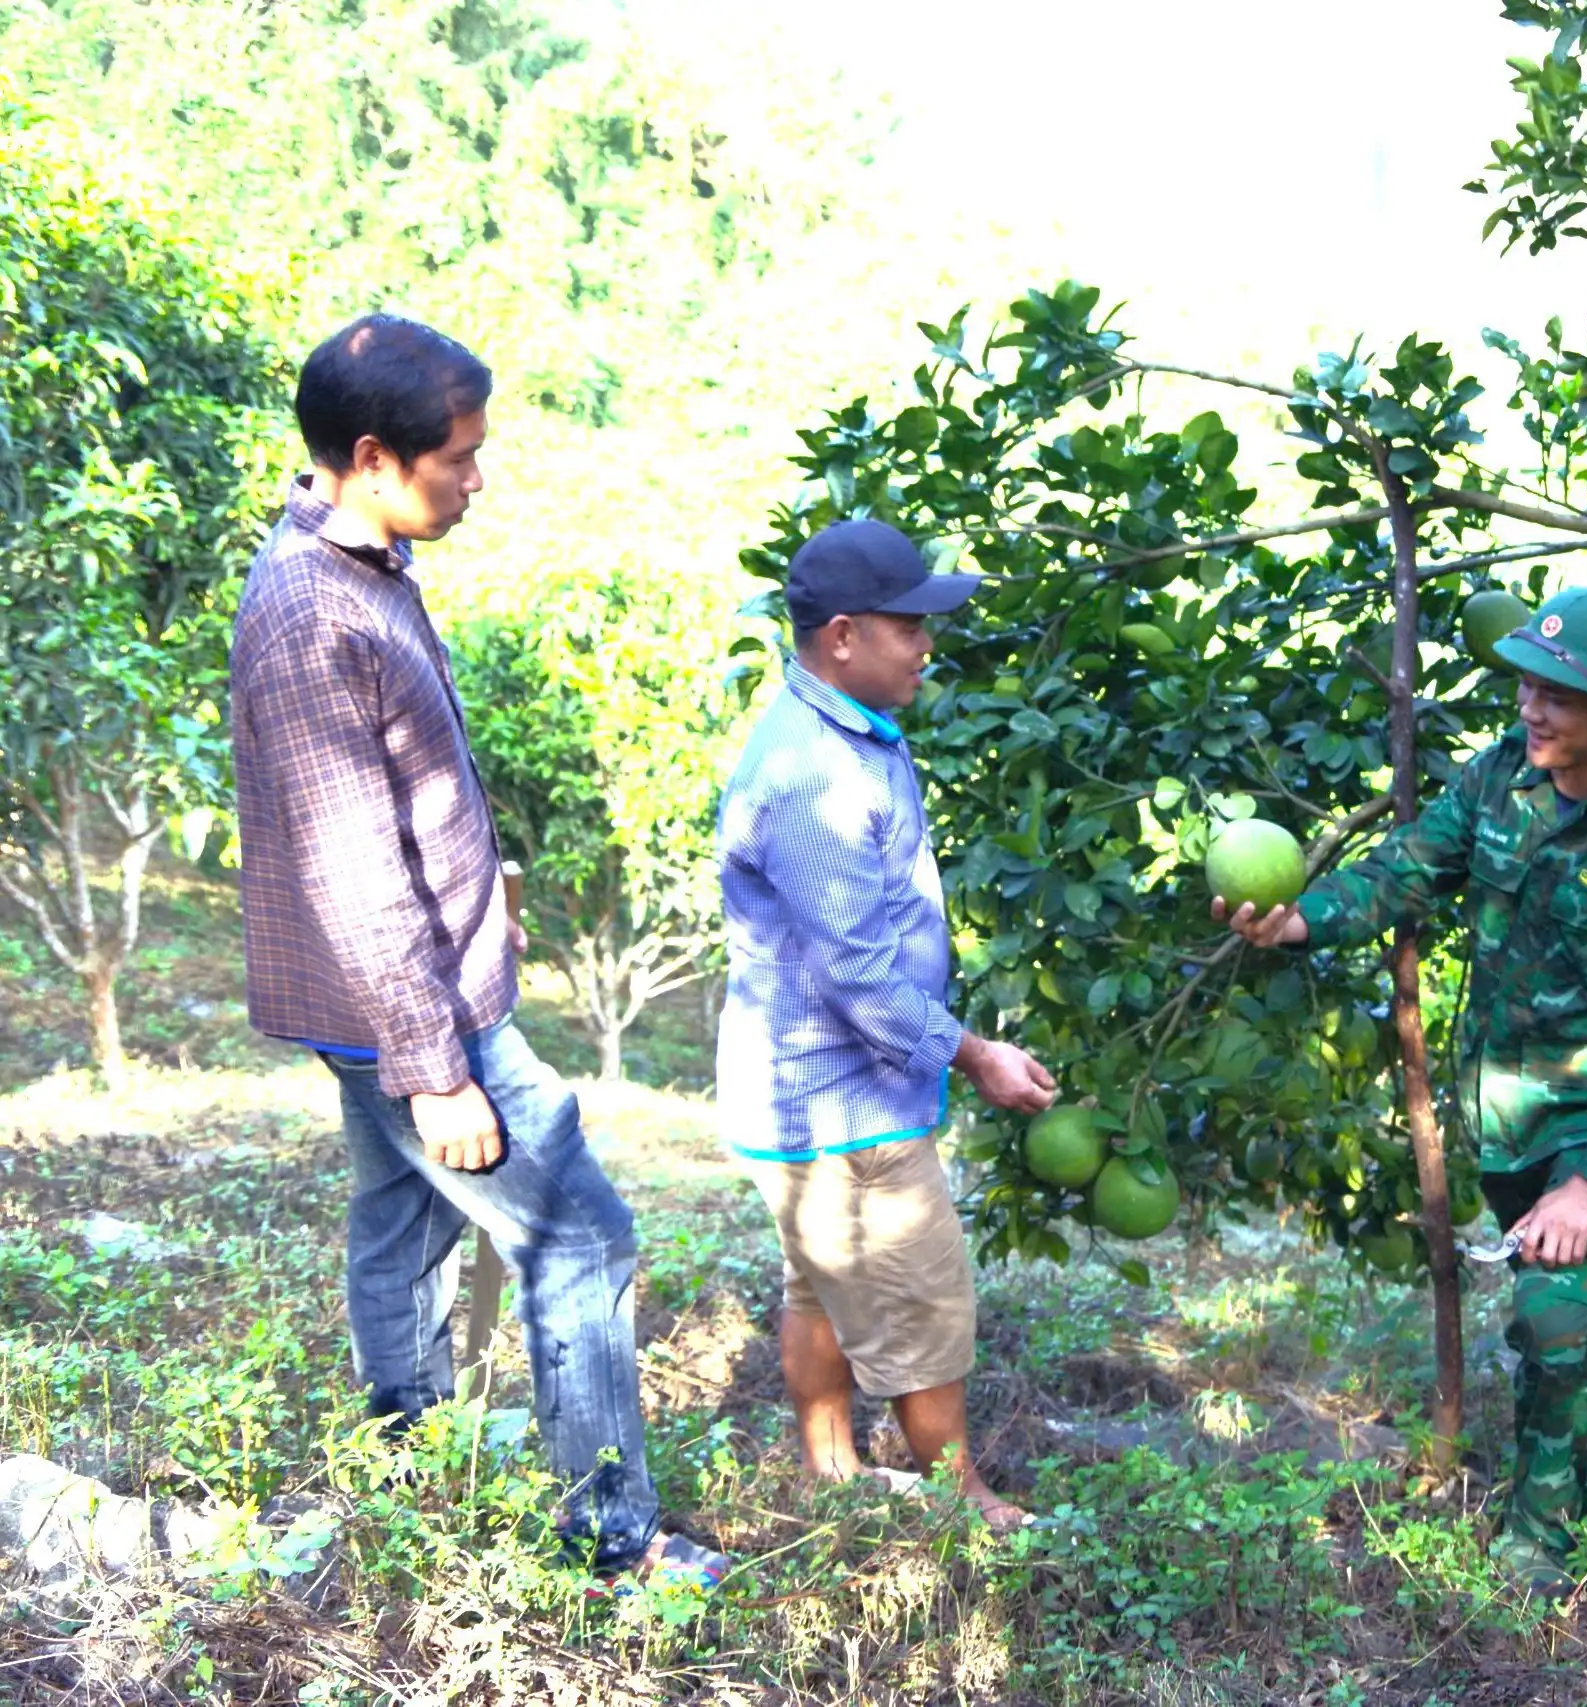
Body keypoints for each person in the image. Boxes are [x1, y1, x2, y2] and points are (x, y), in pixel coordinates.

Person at [230, 314, 722, 1592]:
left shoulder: (361, 564)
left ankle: (404, 1480)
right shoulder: (312, 612)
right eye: (458, 457)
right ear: (373, 457)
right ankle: (611, 1546)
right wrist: (435, 1069)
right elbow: (351, 865)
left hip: (405, 991)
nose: (478, 478)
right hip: (410, 1014)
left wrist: (478, 892)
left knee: (402, 1227)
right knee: (583, 1240)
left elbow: (400, 793)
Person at [1220, 586, 1587, 1593]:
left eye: (1558, 697)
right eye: (1527, 687)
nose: (1531, 709)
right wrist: (1299, 920)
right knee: (1572, 1321)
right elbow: (1407, 869)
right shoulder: (1502, 774)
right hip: (1505, 1117)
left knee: (1556, 1316)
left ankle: (1538, 1547)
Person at [716, 518, 1056, 1531]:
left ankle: (830, 1472)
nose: (926, 646)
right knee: (923, 1296)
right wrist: (977, 1054)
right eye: (909, 628)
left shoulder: (841, 731)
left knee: (819, 1284)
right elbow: (860, 978)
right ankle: (961, 1505)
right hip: (842, 1101)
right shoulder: (812, 774)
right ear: (843, 637)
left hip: (812, 1091)